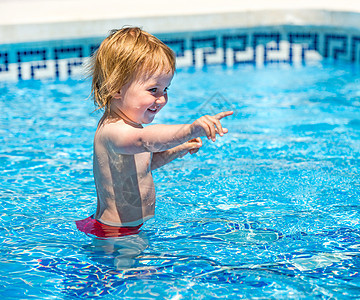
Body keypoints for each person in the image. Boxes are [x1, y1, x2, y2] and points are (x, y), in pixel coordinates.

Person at [76, 27, 233, 238]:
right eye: (153, 90)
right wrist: (189, 130)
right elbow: (146, 140)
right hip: (116, 232)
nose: (162, 99)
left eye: (165, 89)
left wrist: (177, 150)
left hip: (127, 228)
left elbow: (144, 166)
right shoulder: (113, 132)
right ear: (116, 89)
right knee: (139, 272)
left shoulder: (130, 127)